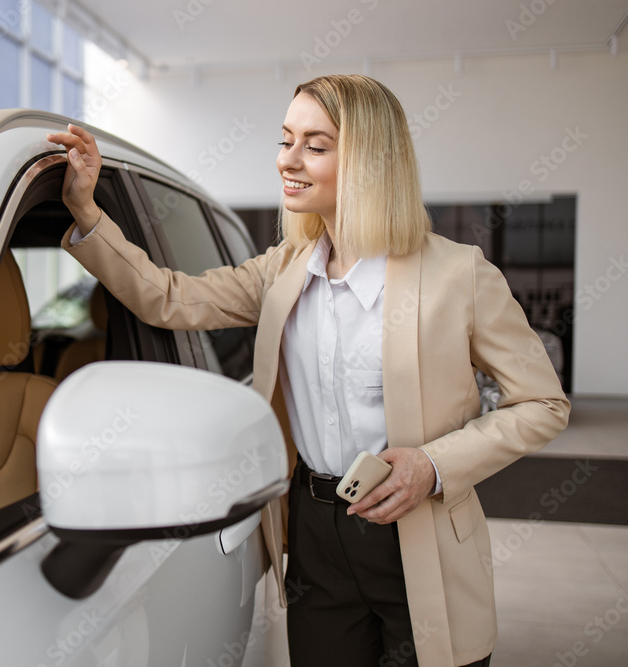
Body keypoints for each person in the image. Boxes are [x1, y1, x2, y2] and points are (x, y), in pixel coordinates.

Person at [47, 74, 569, 667]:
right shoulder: (285, 269)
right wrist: (85, 210)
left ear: (371, 163)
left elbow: (542, 405)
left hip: (417, 534)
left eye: (314, 146)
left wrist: (433, 465)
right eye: (285, 139)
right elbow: (167, 297)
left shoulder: (460, 276)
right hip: (316, 533)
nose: (286, 161)